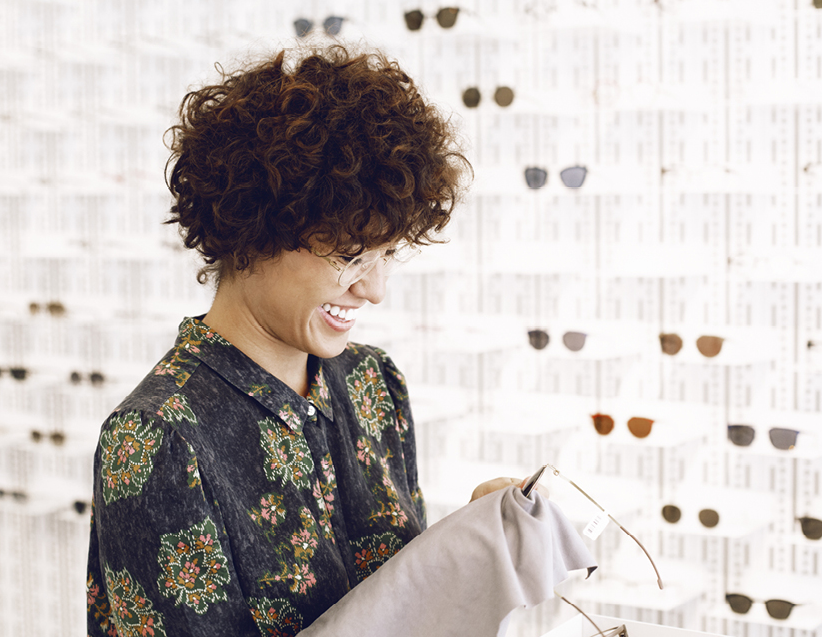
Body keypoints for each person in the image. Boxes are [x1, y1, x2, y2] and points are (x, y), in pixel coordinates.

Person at [85, 44, 526, 637]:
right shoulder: (159, 439)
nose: (374, 290)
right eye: (351, 255)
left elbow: (393, 609)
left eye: (389, 254)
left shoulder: (373, 383)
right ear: (254, 229)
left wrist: (470, 545)